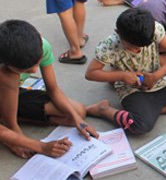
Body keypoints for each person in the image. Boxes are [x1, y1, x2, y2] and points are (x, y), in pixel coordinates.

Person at [85, 8, 166, 134]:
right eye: (131, 47)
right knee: (140, 126)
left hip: (160, 84)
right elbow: (90, 73)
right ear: (118, 33)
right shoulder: (110, 46)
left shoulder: (154, 29)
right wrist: (122, 75)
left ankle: (153, 110)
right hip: (132, 90)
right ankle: (104, 110)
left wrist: (156, 76)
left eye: (141, 46)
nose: (137, 50)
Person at [0, 20, 103, 159]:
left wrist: (78, 120)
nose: (35, 70)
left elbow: (53, 89)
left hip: (11, 95)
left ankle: (8, 120)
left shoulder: (42, 47)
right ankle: (9, 124)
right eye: (23, 70)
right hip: (6, 88)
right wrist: (40, 146)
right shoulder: (7, 73)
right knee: (9, 78)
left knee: (77, 112)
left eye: (37, 63)